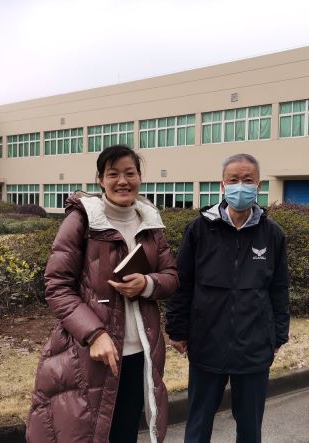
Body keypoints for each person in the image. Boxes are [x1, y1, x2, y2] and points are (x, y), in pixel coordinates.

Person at [27, 144, 179, 443]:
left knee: (124, 432)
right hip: (91, 353)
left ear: (139, 177)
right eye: (113, 174)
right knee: (85, 433)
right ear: (100, 180)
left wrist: (147, 283)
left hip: (139, 353)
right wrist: (94, 334)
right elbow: (57, 286)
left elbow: (172, 277)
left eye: (130, 173)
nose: (123, 181)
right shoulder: (82, 220)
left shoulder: (151, 223)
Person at [166, 153, 289, 443]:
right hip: (206, 343)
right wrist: (177, 329)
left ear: (259, 185)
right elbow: (183, 283)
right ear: (222, 185)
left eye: (247, 180)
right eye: (233, 180)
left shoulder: (272, 234)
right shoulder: (199, 229)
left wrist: (278, 335)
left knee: (250, 428)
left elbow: (279, 288)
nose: (240, 186)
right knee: (198, 425)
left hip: (254, 347)